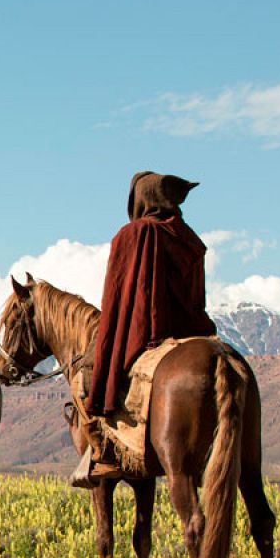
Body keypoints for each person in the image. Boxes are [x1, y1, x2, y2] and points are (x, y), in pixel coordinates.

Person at [73, 171, 216, 487]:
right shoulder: (189, 238)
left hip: (146, 330)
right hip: (193, 331)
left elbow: (120, 296)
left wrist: (113, 337)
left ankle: (102, 450)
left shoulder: (133, 234)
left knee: (89, 373)